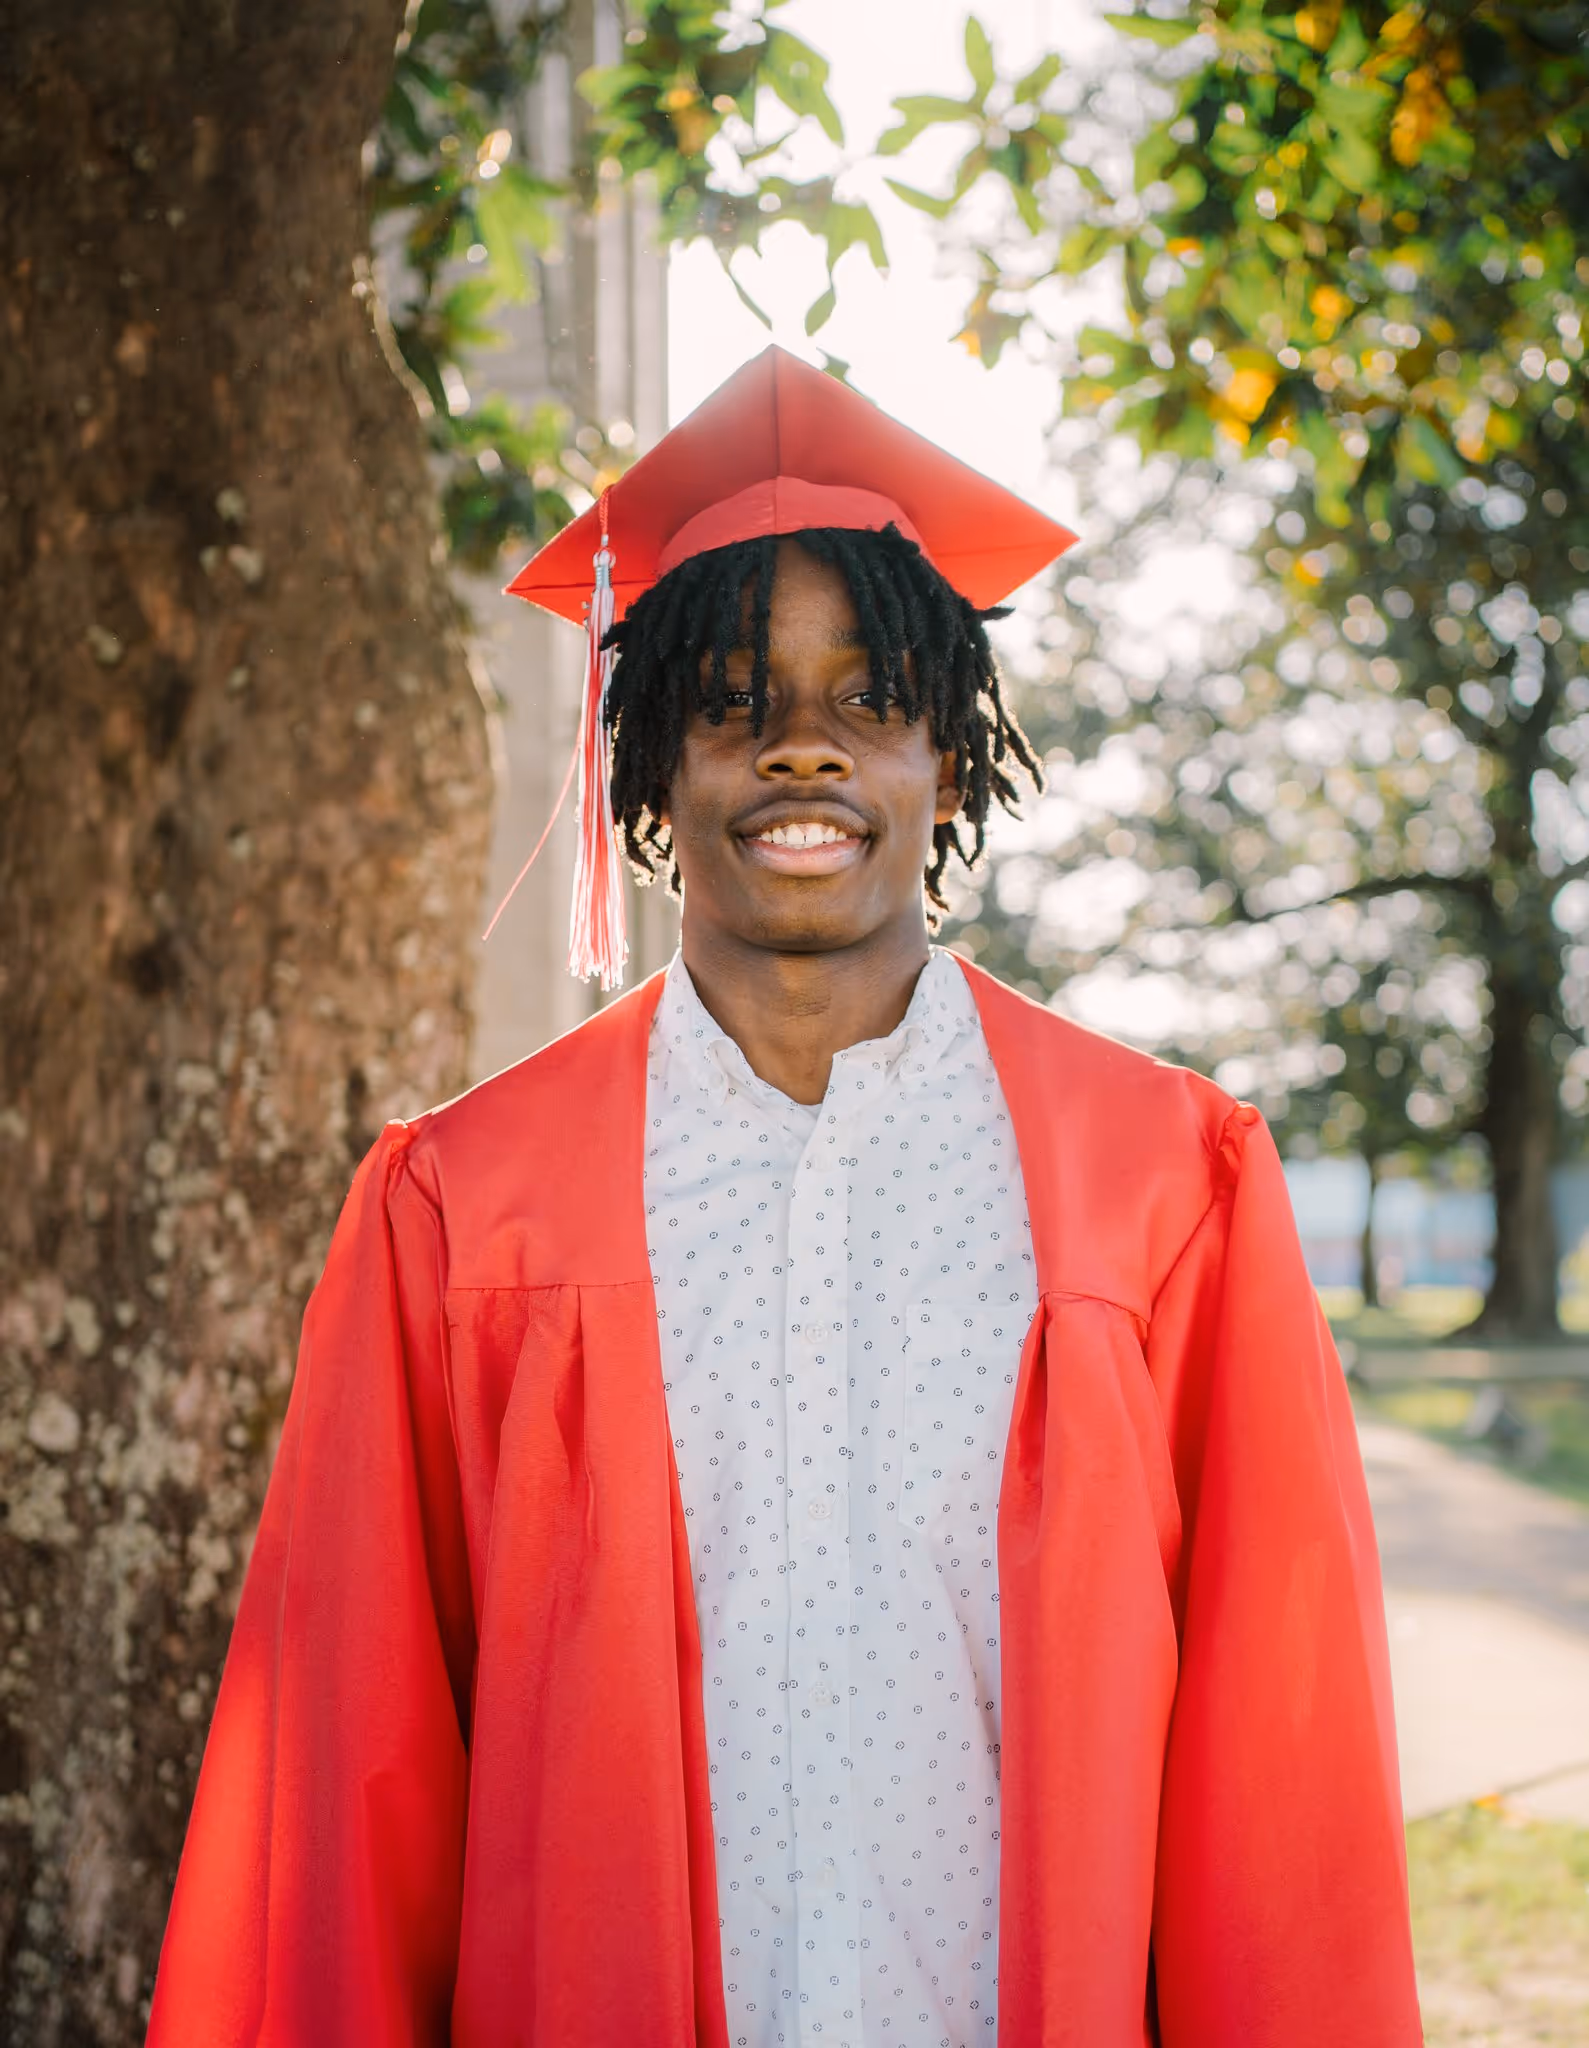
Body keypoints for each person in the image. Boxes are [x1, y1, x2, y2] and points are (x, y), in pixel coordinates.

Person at [147, 347, 1423, 2047]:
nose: (801, 753)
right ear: (653, 771)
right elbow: (349, 1763)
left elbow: (1284, 1756)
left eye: (869, 700)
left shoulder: (1161, 1188)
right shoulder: (467, 1210)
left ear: (950, 768)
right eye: (734, 701)